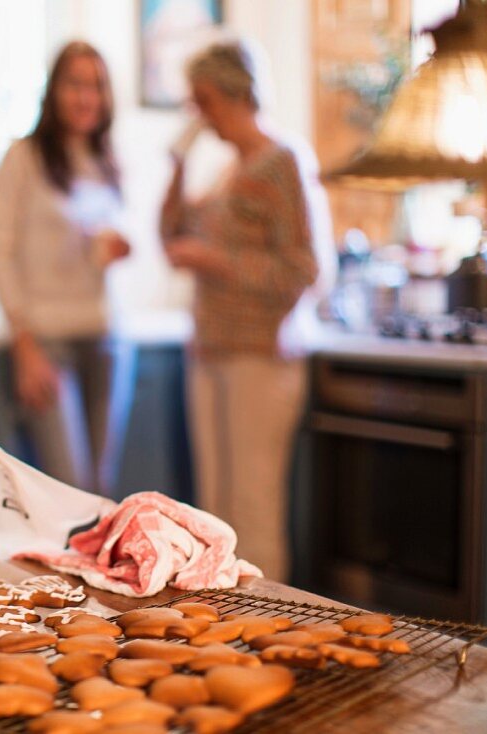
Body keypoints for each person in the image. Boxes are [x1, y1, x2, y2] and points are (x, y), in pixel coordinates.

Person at [159, 39, 335, 581]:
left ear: (232, 93)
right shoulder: (227, 171)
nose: (198, 111)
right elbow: (169, 236)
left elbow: (305, 269)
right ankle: (225, 637)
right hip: (212, 352)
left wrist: (214, 259)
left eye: (203, 99)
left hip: (259, 359)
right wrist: (176, 161)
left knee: (254, 513)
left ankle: (268, 635)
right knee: (216, 517)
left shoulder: (282, 162)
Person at [0, 41, 135, 496]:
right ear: (53, 91)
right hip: (47, 344)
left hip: (106, 341)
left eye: (96, 86)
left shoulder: (108, 162)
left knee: (99, 494)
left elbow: (111, 243)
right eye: (75, 84)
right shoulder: (24, 157)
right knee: (67, 492)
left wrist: (118, 249)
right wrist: (25, 346)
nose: (86, 97)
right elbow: (0, 254)